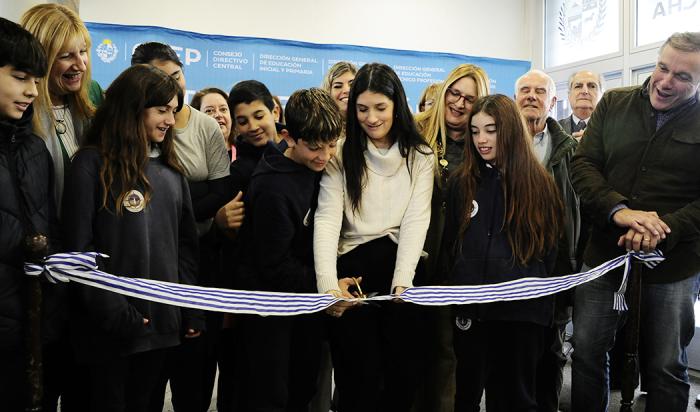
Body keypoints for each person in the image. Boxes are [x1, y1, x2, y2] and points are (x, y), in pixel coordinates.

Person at [570, 31, 700, 412]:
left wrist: (664, 229)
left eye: (682, 76)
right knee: (587, 355)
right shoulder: (613, 103)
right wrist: (620, 211)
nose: (665, 81)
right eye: (663, 67)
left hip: (672, 267)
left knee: (665, 366)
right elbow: (583, 165)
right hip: (603, 258)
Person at [61, 64, 202, 412]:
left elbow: (185, 249)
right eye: (161, 110)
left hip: (160, 329)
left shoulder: (172, 173)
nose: (170, 119)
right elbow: (79, 252)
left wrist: (188, 310)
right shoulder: (91, 165)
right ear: (132, 108)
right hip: (107, 333)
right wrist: (118, 314)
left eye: (173, 110)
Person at [314, 63, 434, 412]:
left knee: (403, 378)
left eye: (380, 108)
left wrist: (403, 282)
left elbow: (416, 219)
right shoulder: (341, 152)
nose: (371, 117)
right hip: (353, 274)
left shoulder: (420, 155)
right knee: (357, 381)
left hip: (404, 270)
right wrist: (328, 288)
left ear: (397, 104)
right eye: (362, 108)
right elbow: (326, 220)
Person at [442, 94, 563, 411]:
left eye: (491, 130)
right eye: (475, 130)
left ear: (508, 130)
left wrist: (544, 313)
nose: (481, 139)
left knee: (513, 398)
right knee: (465, 395)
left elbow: (550, 256)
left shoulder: (541, 185)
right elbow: (452, 244)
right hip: (471, 312)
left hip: (520, 316)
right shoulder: (461, 183)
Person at [130, 42, 231, 412]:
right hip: (150, 266)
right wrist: (193, 199)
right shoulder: (131, 137)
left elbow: (222, 190)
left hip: (199, 261)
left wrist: (181, 206)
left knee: (195, 372)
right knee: (149, 377)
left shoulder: (205, 127)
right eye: (160, 81)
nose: (172, 88)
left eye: (176, 76)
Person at [235, 87, 343, 411]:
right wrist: (330, 288)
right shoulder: (272, 188)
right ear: (289, 136)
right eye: (314, 147)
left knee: (303, 387)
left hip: (305, 307)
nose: (324, 156)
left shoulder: (318, 168)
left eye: (332, 145)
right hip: (272, 311)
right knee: (276, 396)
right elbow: (274, 266)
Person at [412, 64, 490, 412]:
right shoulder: (413, 133)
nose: (459, 103)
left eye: (469, 98)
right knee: (406, 353)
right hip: (408, 263)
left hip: (455, 269)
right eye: (454, 93)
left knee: (446, 356)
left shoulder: (482, 145)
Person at [514, 69, 580, 412]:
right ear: (515, 98)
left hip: (553, 265)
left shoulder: (569, 150)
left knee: (551, 350)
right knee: (514, 351)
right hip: (510, 263)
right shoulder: (497, 144)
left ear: (553, 101)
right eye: (525, 89)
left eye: (540, 91)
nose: (531, 96)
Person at [0, 17, 52, 412]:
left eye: (36, 79)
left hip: (29, 330)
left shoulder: (34, 149)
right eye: (20, 77)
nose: (32, 91)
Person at [20, 3, 97, 213]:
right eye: (65, 56)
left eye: (83, 51)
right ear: (39, 57)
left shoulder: (93, 93)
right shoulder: (18, 109)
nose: (81, 64)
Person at [190, 87, 235, 160]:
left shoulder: (245, 153)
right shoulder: (187, 156)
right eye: (209, 111)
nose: (218, 115)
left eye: (223, 109)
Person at [558, 70, 604, 141]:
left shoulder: (612, 129)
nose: (584, 91)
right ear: (569, 95)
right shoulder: (554, 129)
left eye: (592, 86)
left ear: (601, 95)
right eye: (578, 86)